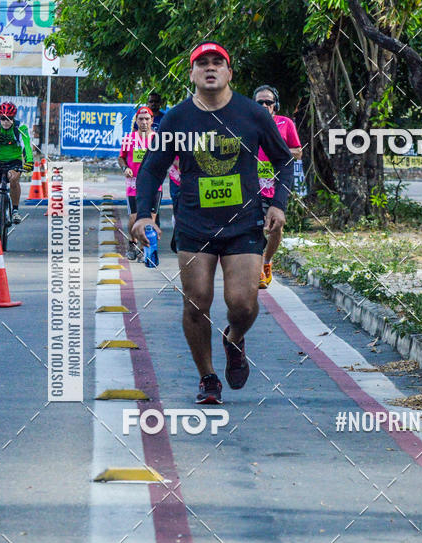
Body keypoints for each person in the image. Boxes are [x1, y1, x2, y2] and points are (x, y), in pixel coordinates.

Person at [132, 41, 294, 404]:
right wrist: (143, 215)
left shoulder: (252, 114)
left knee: (243, 304)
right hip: (194, 225)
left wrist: (278, 205)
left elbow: (284, 160)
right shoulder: (177, 119)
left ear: (229, 72)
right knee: (196, 303)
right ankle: (207, 378)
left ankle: (234, 339)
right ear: (191, 74)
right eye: (202, 63)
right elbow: (151, 169)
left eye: (217, 62)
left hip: (243, 224)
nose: (210, 67)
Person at [253, 84, 302, 287]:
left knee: (276, 228)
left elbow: (298, 152)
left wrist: (277, 151)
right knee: (255, 228)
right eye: (260, 103)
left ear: (276, 105)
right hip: (253, 186)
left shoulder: (285, 123)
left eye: (269, 102)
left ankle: (267, 261)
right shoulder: (247, 124)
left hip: (277, 185)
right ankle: (257, 271)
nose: (265, 105)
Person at [118, 106, 162, 260]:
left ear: (152, 120)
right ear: (136, 121)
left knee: (151, 218)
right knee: (134, 217)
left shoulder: (158, 139)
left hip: (153, 184)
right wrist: (125, 168)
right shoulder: (129, 138)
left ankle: (145, 249)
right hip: (133, 184)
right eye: (141, 119)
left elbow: (166, 159)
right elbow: (121, 157)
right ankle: (132, 243)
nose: (144, 122)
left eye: (147, 119)